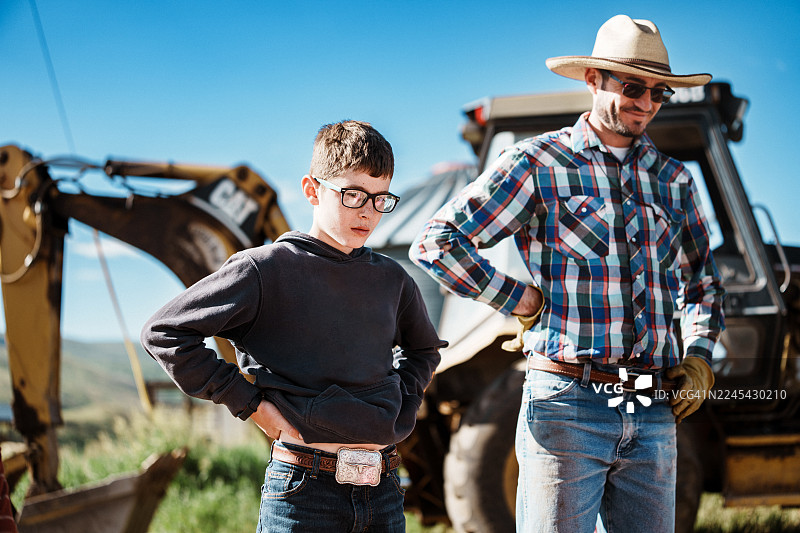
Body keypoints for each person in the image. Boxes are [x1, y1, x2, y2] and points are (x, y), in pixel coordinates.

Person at [409, 15, 724, 533]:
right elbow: (437, 242)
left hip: (653, 409)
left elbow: (703, 284)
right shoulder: (538, 163)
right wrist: (521, 300)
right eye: (633, 87)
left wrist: (699, 358)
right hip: (567, 404)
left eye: (659, 92)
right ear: (593, 80)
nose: (647, 102)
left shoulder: (675, 182)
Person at [141, 120, 446, 533]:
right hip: (304, 493)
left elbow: (424, 350)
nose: (368, 212)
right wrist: (250, 405)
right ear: (312, 189)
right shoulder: (264, 270)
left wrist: (403, 406)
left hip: (384, 492)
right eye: (353, 194)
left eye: (381, 199)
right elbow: (165, 332)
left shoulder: (393, 279)